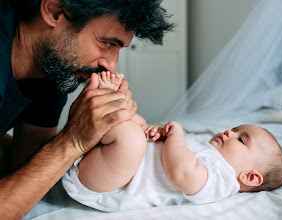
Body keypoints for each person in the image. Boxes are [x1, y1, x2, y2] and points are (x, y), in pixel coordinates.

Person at [0, 0, 173, 218]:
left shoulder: (52, 70)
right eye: (108, 43)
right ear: (55, 11)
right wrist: (73, 140)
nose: (111, 66)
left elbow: (27, 167)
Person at [62, 72, 282, 212]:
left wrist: (176, 137)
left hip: (108, 185)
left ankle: (107, 106)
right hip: (114, 165)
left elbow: (181, 173)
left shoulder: (223, 181)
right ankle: (107, 108)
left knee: (131, 138)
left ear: (249, 177)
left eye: (240, 140)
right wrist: (158, 134)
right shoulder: (209, 153)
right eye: (233, 129)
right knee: (137, 124)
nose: (228, 133)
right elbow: (164, 156)